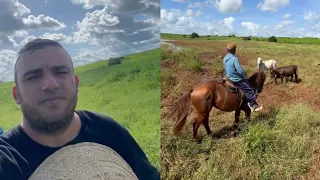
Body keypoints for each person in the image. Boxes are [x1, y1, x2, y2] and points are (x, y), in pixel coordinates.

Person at [0, 38, 159, 180]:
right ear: (16, 95)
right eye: (33, 76)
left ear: (75, 84)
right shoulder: (8, 158)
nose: (50, 84)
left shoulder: (107, 130)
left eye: (61, 72)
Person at [222, 42, 263, 112]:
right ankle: (252, 105)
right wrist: (244, 75)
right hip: (236, 79)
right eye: (235, 49)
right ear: (234, 50)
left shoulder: (225, 58)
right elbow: (240, 71)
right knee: (251, 90)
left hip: (228, 77)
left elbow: (226, 68)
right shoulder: (234, 59)